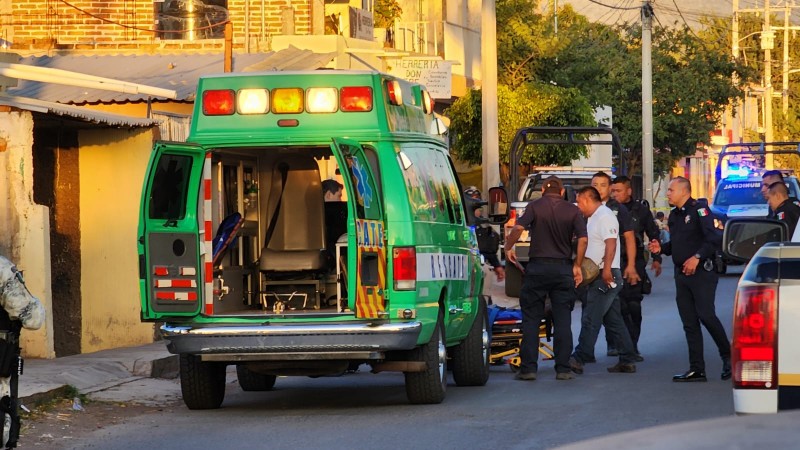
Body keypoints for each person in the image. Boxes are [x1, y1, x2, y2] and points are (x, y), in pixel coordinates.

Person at [504, 176, 588, 381]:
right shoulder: (572, 210)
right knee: (562, 320)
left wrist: (508, 247)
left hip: (537, 268)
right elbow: (583, 239)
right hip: (562, 270)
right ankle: (563, 369)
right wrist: (577, 265)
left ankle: (529, 369)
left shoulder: (534, 206)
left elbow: (517, 228)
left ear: (542, 191)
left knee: (531, 319)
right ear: (561, 192)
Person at [649, 177, 731, 382]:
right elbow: (678, 244)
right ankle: (697, 368)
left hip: (702, 272)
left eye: (671, 190)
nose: (667, 193)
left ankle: (728, 357)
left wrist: (697, 257)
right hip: (681, 274)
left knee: (706, 315)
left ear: (684, 192)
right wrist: (662, 249)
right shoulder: (675, 215)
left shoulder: (700, 210)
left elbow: (714, 238)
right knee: (689, 322)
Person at [568, 186, 638, 375]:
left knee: (591, 316)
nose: (578, 205)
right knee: (613, 320)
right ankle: (627, 358)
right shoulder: (592, 218)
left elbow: (611, 243)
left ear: (588, 199)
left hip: (605, 275)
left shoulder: (605, 216)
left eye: (579, 201)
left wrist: (606, 269)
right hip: (600, 274)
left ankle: (579, 357)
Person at [606, 176, 662, 361]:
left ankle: (632, 345)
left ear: (629, 191)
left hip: (634, 261)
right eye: (613, 190)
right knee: (615, 305)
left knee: (633, 306)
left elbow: (653, 234)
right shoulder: (607, 209)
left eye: (618, 190)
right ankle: (614, 344)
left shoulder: (641, 210)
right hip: (612, 261)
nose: (615, 194)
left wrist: (656, 258)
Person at [589, 171, 639, 357]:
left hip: (610, 268)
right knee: (611, 314)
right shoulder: (586, 207)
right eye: (595, 184)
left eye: (602, 185)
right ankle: (627, 354)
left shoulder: (617, 209)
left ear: (609, 188)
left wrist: (631, 265)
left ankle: (583, 354)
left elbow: (629, 237)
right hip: (590, 269)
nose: (598, 188)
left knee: (593, 314)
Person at [464, 186, 505, 281]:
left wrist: (497, 265)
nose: (474, 205)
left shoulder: (485, 226)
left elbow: (488, 250)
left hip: (478, 268)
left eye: (477, 201)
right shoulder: (456, 224)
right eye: (470, 201)